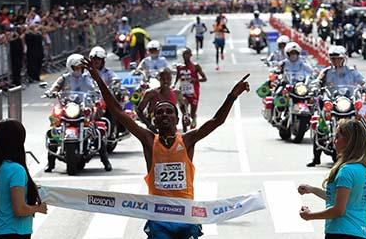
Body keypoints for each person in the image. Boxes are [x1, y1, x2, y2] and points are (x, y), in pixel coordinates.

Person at [84, 55, 250, 239]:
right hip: (159, 218)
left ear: (176, 119)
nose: (164, 115)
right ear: (154, 119)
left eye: (169, 112)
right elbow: (118, 112)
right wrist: (98, 79)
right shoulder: (149, 140)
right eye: (160, 112)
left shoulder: (187, 140)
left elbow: (216, 121)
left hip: (186, 217)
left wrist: (232, 96)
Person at [298, 119, 366, 239]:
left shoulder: (346, 171)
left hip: (342, 232)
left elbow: (338, 210)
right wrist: (312, 189)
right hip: (361, 232)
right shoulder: (364, 166)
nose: (334, 141)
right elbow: (339, 197)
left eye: (337, 137)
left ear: (349, 141)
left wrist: (309, 216)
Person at [308, 46, 366, 167]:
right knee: (321, 125)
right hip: (332, 102)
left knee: (363, 127)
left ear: (344, 59)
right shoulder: (326, 72)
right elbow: (317, 81)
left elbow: (362, 80)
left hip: (348, 102)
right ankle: (316, 158)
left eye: (338, 58)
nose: (336, 61)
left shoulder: (352, 71)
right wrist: (315, 87)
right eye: (333, 59)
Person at [44, 54, 112, 172]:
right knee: (54, 129)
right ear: (70, 67)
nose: (79, 69)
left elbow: (96, 87)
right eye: (76, 67)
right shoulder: (64, 78)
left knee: (97, 130)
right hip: (67, 107)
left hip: (83, 107)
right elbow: (55, 87)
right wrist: (51, 92)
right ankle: (50, 163)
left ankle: (105, 160)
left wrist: (98, 92)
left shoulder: (88, 77)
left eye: (81, 67)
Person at [0, 119, 47, 239]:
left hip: (0, 232)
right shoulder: (17, 170)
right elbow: (19, 209)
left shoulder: (0, 166)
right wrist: (38, 208)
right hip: (15, 233)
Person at [137, 68, 190, 132]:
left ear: (171, 79)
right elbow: (139, 110)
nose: (165, 81)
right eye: (163, 79)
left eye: (168, 78)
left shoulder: (176, 93)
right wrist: (149, 125)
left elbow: (183, 107)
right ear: (159, 79)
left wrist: (185, 115)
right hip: (154, 129)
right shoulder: (151, 93)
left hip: (171, 129)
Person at [174, 48, 208, 129]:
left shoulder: (196, 66)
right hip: (183, 92)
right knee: (184, 109)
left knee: (192, 113)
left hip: (194, 93)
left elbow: (204, 78)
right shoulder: (179, 67)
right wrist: (173, 85)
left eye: (187, 54)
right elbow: (177, 78)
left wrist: (195, 80)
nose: (185, 56)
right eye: (183, 54)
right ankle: (185, 123)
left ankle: (194, 117)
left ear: (190, 55)